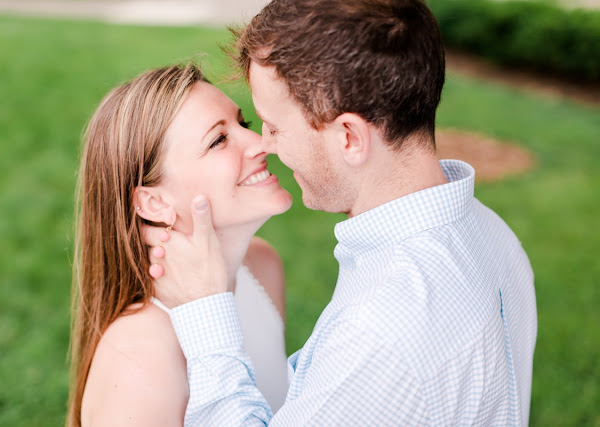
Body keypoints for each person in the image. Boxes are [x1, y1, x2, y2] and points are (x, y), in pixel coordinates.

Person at [143, 0, 538, 425]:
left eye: (273, 126)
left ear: (349, 137)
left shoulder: (378, 332)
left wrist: (205, 314)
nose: (266, 145)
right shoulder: (491, 234)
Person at [67, 63, 293, 426]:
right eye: (218, 140)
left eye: (243, 124)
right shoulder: (139, 358)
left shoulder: (262, 266)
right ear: (154, 203)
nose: (261, 142)